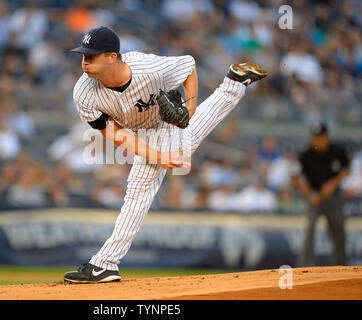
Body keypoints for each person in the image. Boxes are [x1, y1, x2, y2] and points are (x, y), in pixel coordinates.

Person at [64, 26, 267, 283]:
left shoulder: (149, 69)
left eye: (91, 55)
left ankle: (104, 264)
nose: (85, 61)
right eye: (83, 55)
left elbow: (188, 65)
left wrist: (188, 112)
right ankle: (233, 85)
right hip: (139, 130)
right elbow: (116, 135)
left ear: (112, 56)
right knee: (181, 150)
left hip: (161, 122)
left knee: (138, 191)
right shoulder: (83, 92)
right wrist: (157, 155)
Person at [292, 123, 349, 266]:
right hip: (314, 197)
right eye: (315, 137)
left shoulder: (338, 151)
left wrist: (333, 184)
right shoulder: (306, 155)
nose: (318, 140)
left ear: (327, 136)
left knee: (338, 231)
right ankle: (305, 267)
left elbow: (345, 169)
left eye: (321, 137)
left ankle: (341, 267)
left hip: (334, 197)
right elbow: (295, 178)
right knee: (310, 229)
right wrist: (310, 194)